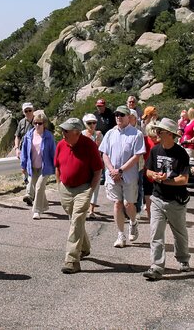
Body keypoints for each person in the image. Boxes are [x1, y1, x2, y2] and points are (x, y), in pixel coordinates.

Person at [143, 117, 191, 281]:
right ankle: (156, 267)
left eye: (159, 131)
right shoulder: (155, 150)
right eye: (156, 130)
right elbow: (148, 171)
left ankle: (183, 259)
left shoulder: (181, 154)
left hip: (176, 201)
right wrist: (154, 175)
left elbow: (184, 179)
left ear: (169, 134)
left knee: (179, 233)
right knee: (155, 233)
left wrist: (167, 180)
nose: (156, 133)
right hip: (157, 198)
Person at [54, 118, 103, 274]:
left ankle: (72, 260)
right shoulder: (61, 144)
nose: (63, 133)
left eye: (66, 131)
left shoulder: (89, 146)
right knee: (74, 220)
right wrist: (59, 185)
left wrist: (90, 190)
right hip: (65, 188)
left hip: (83, 188)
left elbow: (97, 170)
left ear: (76, 132)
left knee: (76, 221)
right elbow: (57, 166)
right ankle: (85, 247)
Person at [99, 105, 146, 248]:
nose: (118, 117)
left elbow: (137, 156)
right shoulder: (110, 134)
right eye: (116, 115)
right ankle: (121, 235)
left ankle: (133, 222)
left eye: (122, 115)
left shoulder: (136, 134)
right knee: (117, 204)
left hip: (129, 176)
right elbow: (104, 153)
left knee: (128, 204)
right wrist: (112, 170)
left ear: (128, 117)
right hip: (112, 176)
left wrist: (120, 170)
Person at [20, 111, 56, 219]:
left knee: (39, 187)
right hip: (32, 166)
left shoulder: (49, 136)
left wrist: (57, 166)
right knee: (36, 187)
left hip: (45, 167)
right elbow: (24, 151)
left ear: (44, 123)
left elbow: (53, 152)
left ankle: (37, 210)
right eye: (35, 123)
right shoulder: (29, 135)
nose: (37, 125)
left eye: (39, 123)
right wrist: (23, 165)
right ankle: (44, 205)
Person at [82, 113, 103, 218]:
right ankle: (84, 208)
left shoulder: (98, 134)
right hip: (84, 165)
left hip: (96, 164)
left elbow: (101, 149)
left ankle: (92, 210)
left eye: (94, 123)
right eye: (89, 123)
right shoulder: (81, 134)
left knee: (95, 187)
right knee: (85, 187)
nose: (92, 125)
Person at [14, 102, 35, 184]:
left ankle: (31, 188)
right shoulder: (21, 122)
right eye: (26, 111)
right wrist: (16, 148)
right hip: (24, 149)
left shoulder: (38, 121)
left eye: (30, 110)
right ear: (23, 112)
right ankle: (27, 183)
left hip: (35, 149)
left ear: (33, 110)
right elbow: (17, 136)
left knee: (34, 169)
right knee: (24, 168)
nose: (28, 112)